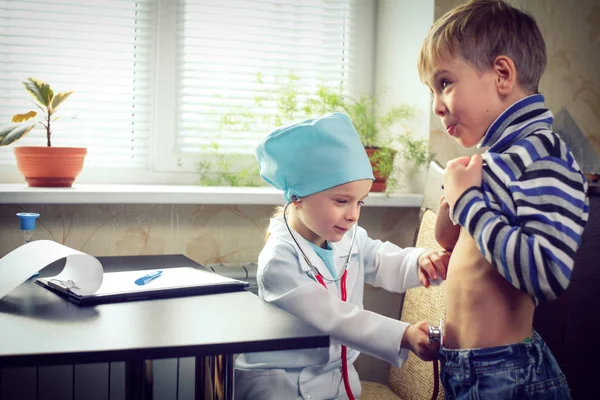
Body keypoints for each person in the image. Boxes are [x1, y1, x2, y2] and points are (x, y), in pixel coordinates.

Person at [417, 0, 589, 398]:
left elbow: (546, 273)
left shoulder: (543, 155)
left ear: (501, 75)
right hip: (466, 370)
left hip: (506, 374)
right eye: (432, 90)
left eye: (445, 83)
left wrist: (468, 202)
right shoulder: (494, 161)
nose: (436, 105)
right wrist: (452, 201)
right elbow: (459, 242)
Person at [234, 112, 450, 400]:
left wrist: (421, 262)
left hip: (333, 384)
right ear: (298, 197)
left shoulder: (347, 239)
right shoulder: (279, 261)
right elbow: (338, 320)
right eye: (341, 201)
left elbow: (383, 259)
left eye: (360, 202)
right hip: (283, 388)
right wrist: (404, 335)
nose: (353, 214)